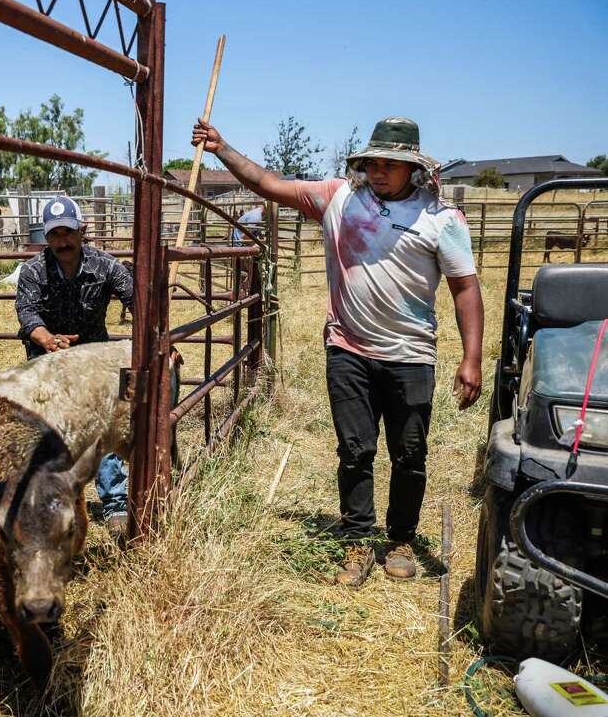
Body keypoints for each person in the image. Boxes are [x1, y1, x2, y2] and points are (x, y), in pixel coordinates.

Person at [192, 116, 484, 586]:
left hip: (411, 354)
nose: (380, 171)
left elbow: (465, 288)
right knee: (355, 449)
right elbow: (269, 184)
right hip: (348, 348)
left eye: (392, 163)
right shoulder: (338, 199)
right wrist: (221, 148)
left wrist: (471, 359)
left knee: (409, 453)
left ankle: (401, 539)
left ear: (414, 169)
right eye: (373, 162)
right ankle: (357, 541)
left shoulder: (442, 220)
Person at [15, 195, 135, 537]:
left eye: (68, 232)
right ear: (46, 237)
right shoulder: (34, 271)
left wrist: (155, 336)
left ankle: (114, 503)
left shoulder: (106, 266)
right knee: (47, 430)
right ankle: (49, 502)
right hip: (48, 361)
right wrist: (47, 338)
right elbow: (27, 314)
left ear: (82, 231)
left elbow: (137, 298)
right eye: (54, 234)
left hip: (93, 359)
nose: (62, 241)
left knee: (104, 425)